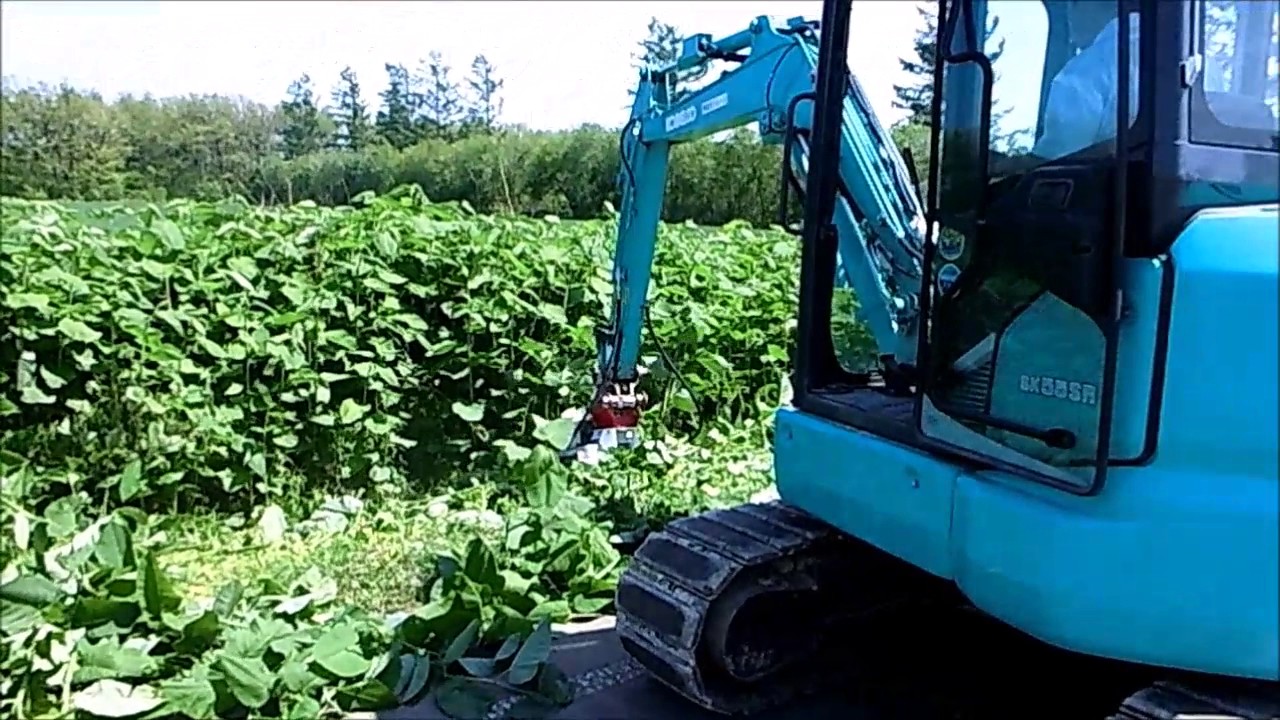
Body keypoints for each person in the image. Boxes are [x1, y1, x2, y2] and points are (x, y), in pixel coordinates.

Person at [1029, 0, 1141, 161]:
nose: (1069, 15)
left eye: (1071, 3)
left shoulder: (1084, 72)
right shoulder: (1168, 57)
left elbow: (1054, 161)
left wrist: (999, 167)